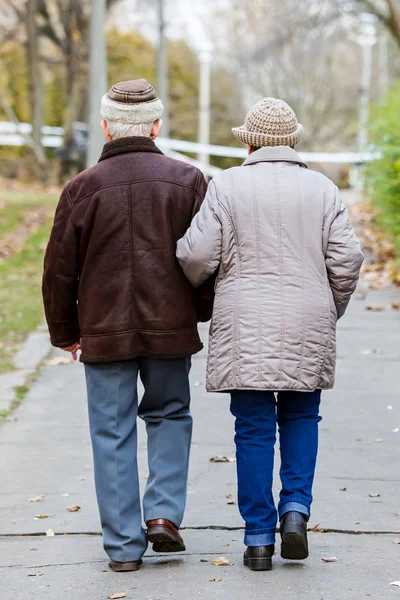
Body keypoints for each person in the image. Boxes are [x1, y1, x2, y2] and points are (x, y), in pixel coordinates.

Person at [176, 97, 364, 572]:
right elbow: (347, 260)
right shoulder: (322, 189)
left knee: (253, 428)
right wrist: (328, 308)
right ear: (293, 140)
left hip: (245, 319)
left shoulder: (227, 185)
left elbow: (196, 257)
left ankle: (258, 538)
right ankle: (296, 512)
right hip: (308, 314)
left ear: (251, 141)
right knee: (302, 417)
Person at [42, 79, 213, 572]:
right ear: (157, 126)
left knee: (111, 431)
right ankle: (162, 515)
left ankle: (121, 548)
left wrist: (65, 332)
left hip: (104, 328)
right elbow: (209, 257)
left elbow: (58, 270)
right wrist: (196, 310)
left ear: (105, 127)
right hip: (169, 327)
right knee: (169, 415)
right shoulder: (188, 181)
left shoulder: (81, 189)